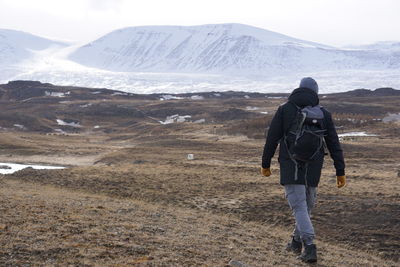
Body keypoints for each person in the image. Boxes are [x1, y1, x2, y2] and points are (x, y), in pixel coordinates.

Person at [260, 77, 346, 263]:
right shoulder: (323, 113)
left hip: (291, 164)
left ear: (299, 89)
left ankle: (309, 247)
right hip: (314, 166)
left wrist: (265, 163)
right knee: (306, 206)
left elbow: (272, 138)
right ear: (315, 92)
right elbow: (333, 143)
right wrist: (340, 170)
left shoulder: (285, 109)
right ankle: (295, 242)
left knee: (299, 206)